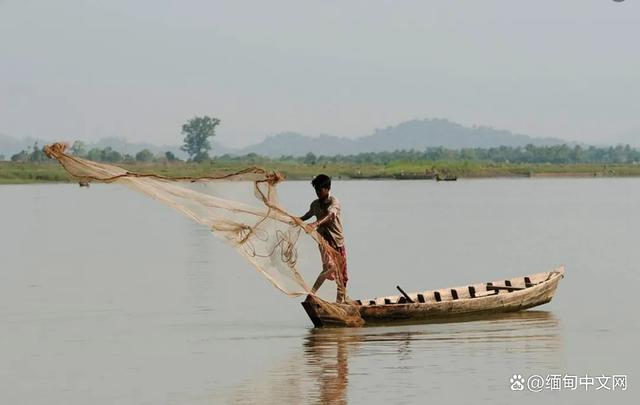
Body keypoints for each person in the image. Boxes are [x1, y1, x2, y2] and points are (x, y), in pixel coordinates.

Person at [298, 174, 348, 303]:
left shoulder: (334, 202)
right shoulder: (315, 204)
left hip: (337, 241)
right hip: (323, 240)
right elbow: (306, 216)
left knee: (342, 277)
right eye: (316, 190)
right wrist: (294, 219)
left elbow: (330, 216)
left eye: (320, 190)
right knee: (329, 267)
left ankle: (340, 304)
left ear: (328, 188)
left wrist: (315, 224)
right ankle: (311, 295)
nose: (318, 193)